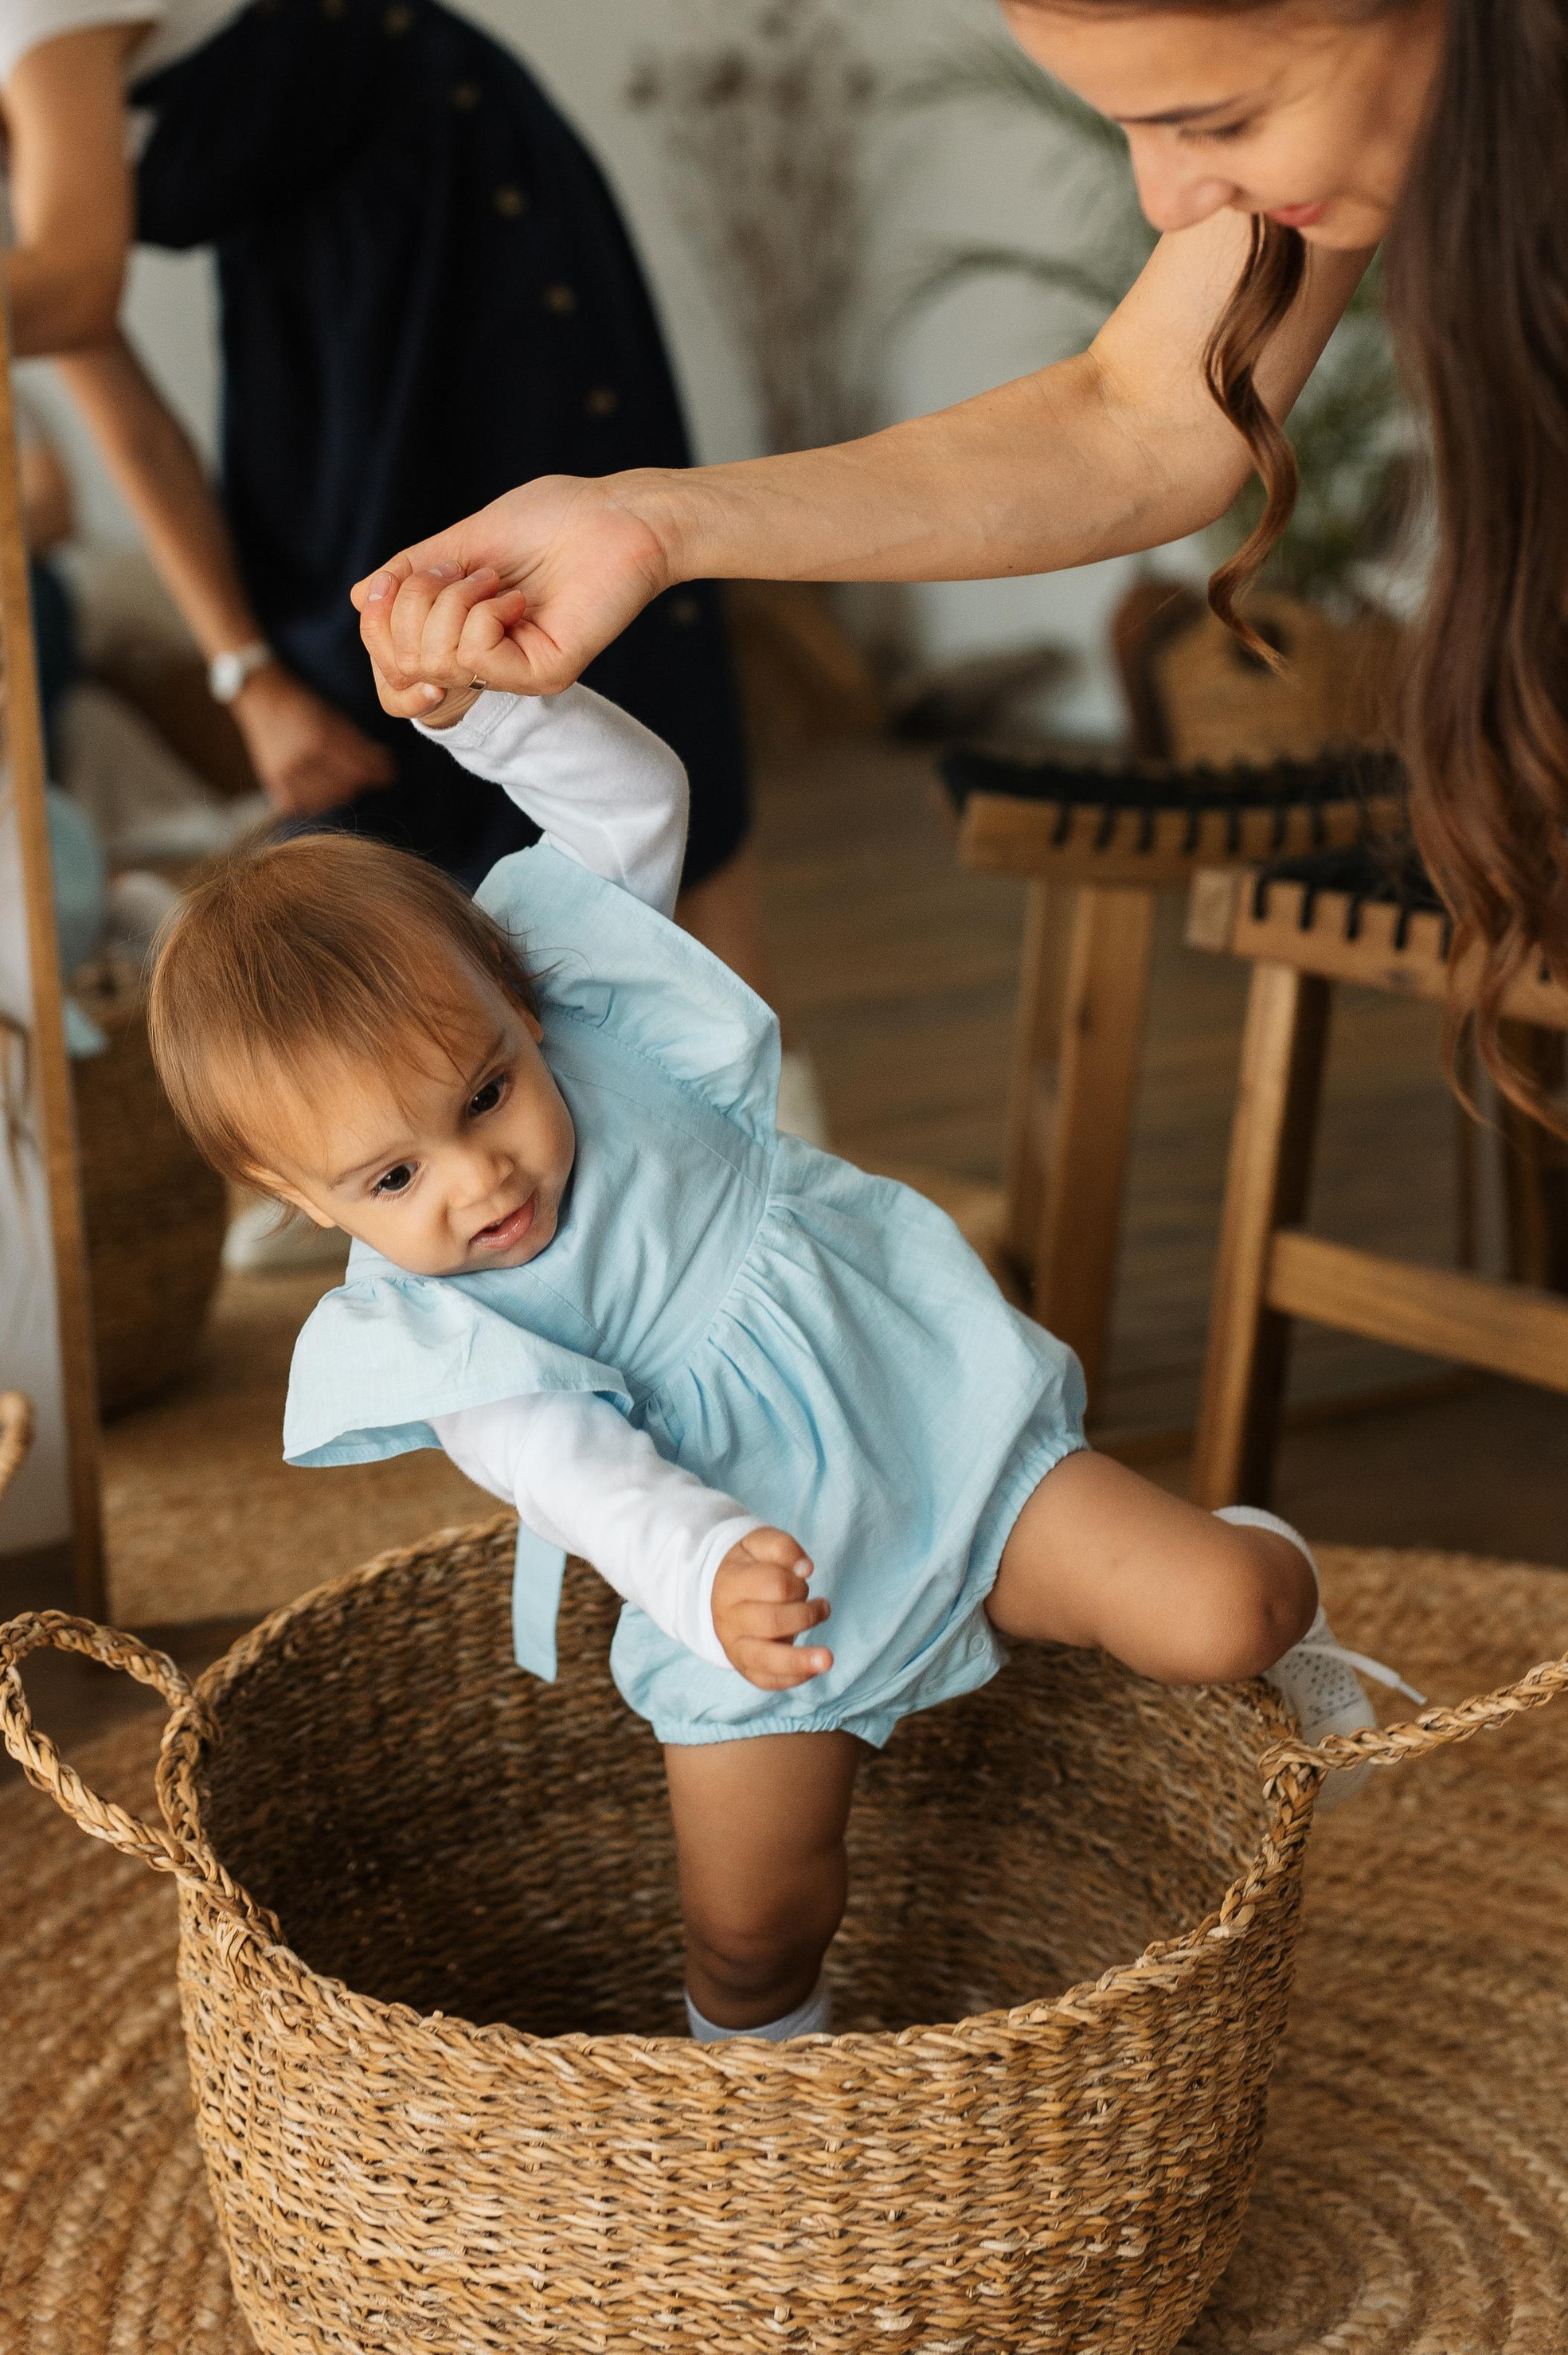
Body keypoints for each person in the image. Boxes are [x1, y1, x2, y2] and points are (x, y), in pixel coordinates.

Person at [359, 0, 1568, 1101]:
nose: (1166, 203)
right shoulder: (1461, 12)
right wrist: (650, 523)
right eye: (1131, 129)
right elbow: (1138, 416)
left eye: (1214, 120)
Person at [145, 562, 1402, 2044]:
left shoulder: (590, 1004)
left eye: (488, 1092)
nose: (479, 1179)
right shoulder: (442, 1337)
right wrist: (714, 1570)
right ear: (302, 1203)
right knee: (754, 1926)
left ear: (521, 1000)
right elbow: (587, 1480)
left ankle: (1258, 1578)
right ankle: (759, 2092)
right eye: (391, 1178)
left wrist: (493, 713)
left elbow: (637, 803)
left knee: (1230, 1609)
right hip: (753, 1581)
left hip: (928, 1420)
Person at [0, 0, 776, 1005]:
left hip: (463, 211)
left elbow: (72, 284)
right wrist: (247, 680)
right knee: (362, 652)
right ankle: (447, 1105)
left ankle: (751, 1101)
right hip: (308, 305)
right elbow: (138, 438)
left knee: (584, 633)